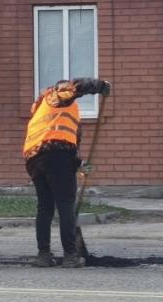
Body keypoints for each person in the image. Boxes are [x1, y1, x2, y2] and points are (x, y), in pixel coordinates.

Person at [23, 77, 110, 268]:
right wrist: (100, 86)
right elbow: (75, 86)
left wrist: (78, 164)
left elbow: (67, 141)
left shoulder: (43, 110)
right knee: (65, 205)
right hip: (55, 156)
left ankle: (43, 255)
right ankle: (70, 255)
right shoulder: (55, 96)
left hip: (35, 159)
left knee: (45, 207)